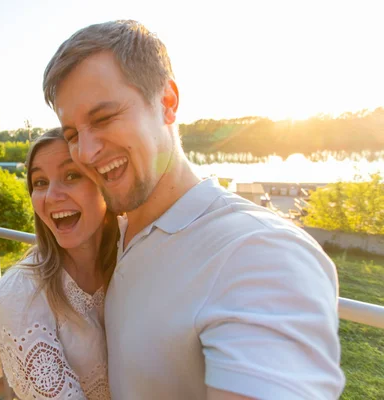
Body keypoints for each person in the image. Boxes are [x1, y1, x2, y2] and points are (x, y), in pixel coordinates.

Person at [43, 20, 345, 399]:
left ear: (167, 102)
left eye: (104, 118)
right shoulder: (117, 235)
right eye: (72, 135)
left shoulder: (259, 253)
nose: (85, 153)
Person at [0, 128, 117, 400]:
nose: (50, 196)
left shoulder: (134, 257)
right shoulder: (22, 294)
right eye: (39, 182)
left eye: (72, 175)